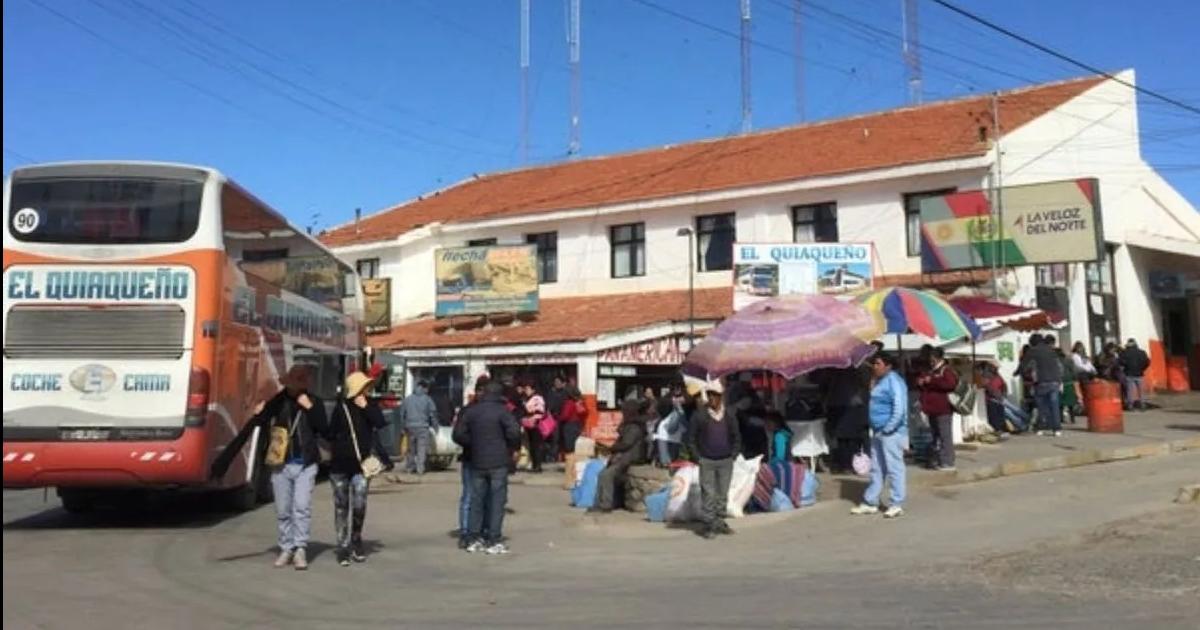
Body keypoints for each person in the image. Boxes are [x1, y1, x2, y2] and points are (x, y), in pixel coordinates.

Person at [209, 365, 328, 570]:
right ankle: (286, 547)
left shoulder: (315, 402)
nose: (294, 389)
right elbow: (256, 424)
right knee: (283, 509)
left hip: (306, 464)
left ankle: (300, 548)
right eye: (291, 385)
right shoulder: (277, 402)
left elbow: (324, 429)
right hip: (280, 463)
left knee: (301, 507)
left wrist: (309, 408)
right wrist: (259, 413)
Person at [453, 382, 522, 555]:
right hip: (498, 461)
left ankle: (474, 539)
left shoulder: (472, 411)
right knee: (497, 502)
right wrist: (510, 446)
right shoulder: (503, 411)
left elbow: (458, 434)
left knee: (476, 500)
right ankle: (494, 539)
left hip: (477, 461)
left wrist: (474, 444)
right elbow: (514, 433)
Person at [327, 371, 388, 566]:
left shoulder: (370, 405)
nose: (367, 390)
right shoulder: (341, 407)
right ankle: (342, 547)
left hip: (361, 467)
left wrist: (367, 409)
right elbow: (330, 433)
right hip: (339, 466)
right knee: (341, 506)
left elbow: (380, 423)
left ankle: (356, 539)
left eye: (367, 387)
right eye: (363, 387)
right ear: (355, 389)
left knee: (359, 505)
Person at [851, 353, 908, 519]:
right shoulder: (878, 381)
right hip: (877, 430)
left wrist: (889, 427)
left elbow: (899, 408)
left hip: (892, 432)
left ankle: (896, 503)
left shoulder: (895, 381)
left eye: (878, 363)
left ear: (888, 366)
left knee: (894, 468)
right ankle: (871, 501)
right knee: (877, 468)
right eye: (874, 364)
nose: (874, 367)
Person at [688, 379, 742, 540]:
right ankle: (708, 524)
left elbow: (736, 436)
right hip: (707, 460)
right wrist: (697, 457)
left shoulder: (729, 414)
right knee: (708, 493)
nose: (711, 399)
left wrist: (733, 454)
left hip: (726, 460)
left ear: (721, 397)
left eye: (715, 396)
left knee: (722, 493)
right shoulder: (700, 415)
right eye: (710, 395)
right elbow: (691, 438)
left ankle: (719, 521)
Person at [590, 398, 649, 513]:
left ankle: (605, 505)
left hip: (631, 457)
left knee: (606, 475)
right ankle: (599, 502)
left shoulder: (634, 427)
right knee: (602, 473)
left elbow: (626, 444)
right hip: (624, 455)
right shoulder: (629, 424)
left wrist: (610, 448)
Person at [455, 376, 491, 549]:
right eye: (480, 391)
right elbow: (458, 435)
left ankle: (482, 531)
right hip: (471, 459)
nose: (482, 395)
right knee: (469, 496)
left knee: (486, 497)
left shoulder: (494, 409)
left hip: (489, 460)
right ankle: (465, 532)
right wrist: (475, 442)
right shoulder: (467, 411)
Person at [917, 347, 959, 471]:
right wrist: (921, 382)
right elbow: (926, 385)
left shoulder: (946, 370)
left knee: (945, 435)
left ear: (939, 358)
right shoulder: (931, 370)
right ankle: (938, 459)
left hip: (943, 409)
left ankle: (948, 462)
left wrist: (932, 381)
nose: (931, 361)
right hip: (931, 409)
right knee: (936, 436)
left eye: (933, 358)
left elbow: (950, 384)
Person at [822, 367, 870, 473]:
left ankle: (844, 464)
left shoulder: (831, 369)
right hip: (852, 406)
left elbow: (824, 386)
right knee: (852, 439)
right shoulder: (857, 368)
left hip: (837, 405)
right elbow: (865, 383)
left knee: (841, 439)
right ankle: (851, 465)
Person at [1019, 334, 1064, 436]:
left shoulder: (1033, 351)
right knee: (1054, 406)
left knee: (1041, 406)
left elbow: (1024, 364)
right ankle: (1057, 429)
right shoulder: (1051, 350)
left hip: (1042, 381)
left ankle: (1040, 427)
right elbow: (1058, 365)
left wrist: (1018, 372)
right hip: (1055, 381)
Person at [400, 380, 439, 476]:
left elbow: (402, 414)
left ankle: (410, 467)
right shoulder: (428, 399)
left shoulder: (407, 399)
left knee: (411, 449)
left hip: (409, 427)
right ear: (424, 388)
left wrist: (403, 427)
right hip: (423, 427)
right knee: (421, 448)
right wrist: (436, 427)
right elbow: (432, 414)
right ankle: (420, 469)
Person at [652, 385, 687, 466]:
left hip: (677, 436)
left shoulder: (688, 398)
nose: (677, 390)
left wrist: (682, 402)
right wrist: (673, 401)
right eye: (675, 388)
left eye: (679, 388)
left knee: (673, 462)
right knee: (665, 462)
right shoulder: (667, 398)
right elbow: (661, 403)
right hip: (664, 434)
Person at [520, 381, 548, 472]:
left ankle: (538, 465)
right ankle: (534, 464)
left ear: (533, 389)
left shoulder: (537, 398)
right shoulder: (527, 398)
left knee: (537, 445)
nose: (526, 391)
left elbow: (539, 410)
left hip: (536, 424)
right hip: (529, 425)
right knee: (532, 445)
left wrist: (527, 408)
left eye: (528, 389)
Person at [1119, 339, 1151, 411]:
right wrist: (1142, 369)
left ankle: (1130, 405)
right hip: (1139, 374)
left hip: (1129, 373)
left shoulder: (1125, 352)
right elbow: (1147, 362)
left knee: (1130, 390)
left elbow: (1120, 362)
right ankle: (1142, 405)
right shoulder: (1142, 352)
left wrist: (1125, 367)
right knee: (1141, 390)